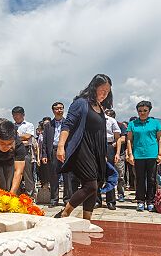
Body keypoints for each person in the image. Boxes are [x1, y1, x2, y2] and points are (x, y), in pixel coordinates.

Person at [56, 74, 112, 220]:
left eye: (107, 91)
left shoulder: (100, 107)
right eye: (102, 90)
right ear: (94, 87)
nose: (105, 94)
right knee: (90, 185)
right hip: (82, 148)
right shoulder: (81, 103)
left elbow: (101, 133)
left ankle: (87, 219)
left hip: (97, 151)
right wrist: (61, 146)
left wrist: (103, 153)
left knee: (96, 185)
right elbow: (67, 124)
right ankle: (65, 212)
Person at [126, 101, 161, 212]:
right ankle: (140, 201)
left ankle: (151, 201)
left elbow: (160, 139)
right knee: (139, 179)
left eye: (145, 111)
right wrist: (130, 154)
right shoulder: (132, 124)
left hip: (152, 154)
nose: (142, 113)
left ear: (149, 111)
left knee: (152, 179)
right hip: (138, 154)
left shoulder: (155, 123)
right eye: (140, 111)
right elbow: (129, 140)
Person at [41, 102, 70, 207]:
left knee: (67, 176)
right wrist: (44, 155)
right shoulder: (49, 125)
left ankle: (67, 199)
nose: (59, 110)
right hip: (53, 151)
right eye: (57, 109)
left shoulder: (68, 123)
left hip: (66, 151)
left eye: (61, 108)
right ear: (53, 111)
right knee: (54, 176)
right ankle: (54, 199)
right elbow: (44, 142)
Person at [12, 106, 36, 197]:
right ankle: (16, 193)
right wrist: (21, 138)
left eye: (17, 115)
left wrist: (16, 137)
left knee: (27, 174)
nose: (16, 117)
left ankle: (30, 194)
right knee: (15, 173)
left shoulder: (28, 125)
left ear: (23, 115)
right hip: (14, 151)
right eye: (14, 115)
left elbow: (28, 137)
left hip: (26, 151)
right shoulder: (12, 126)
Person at [103, 109, 121, 210]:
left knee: (110, 173)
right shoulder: (92, 120)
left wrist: (117, 153)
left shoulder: (111, 121)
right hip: (95, 147)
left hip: (108, 146)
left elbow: (118, 138)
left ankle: (110, 201)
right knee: (96, 175)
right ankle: (96, 200)